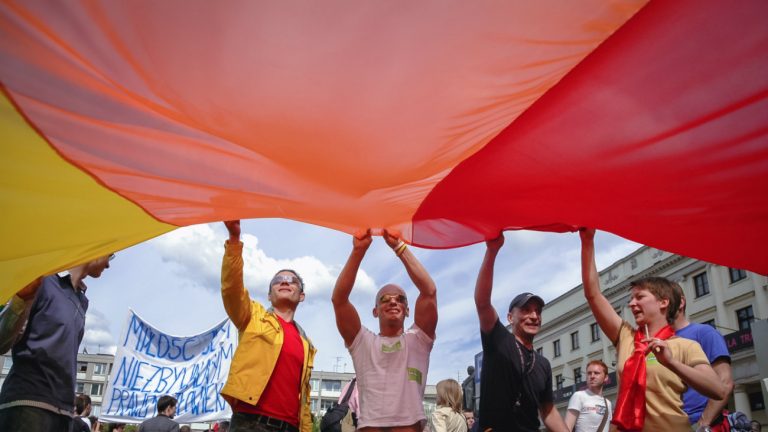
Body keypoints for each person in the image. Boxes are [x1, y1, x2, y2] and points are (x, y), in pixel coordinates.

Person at [580, 228, 728, 431]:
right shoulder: (626, 337)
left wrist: (672, 362)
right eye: (631, 298)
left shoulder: (686, 346)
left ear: (663, 302)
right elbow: (593, 295)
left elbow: (718, 390)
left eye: (639, 297)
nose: (632, 304)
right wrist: (587, 241)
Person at [332, 229, 438, 431]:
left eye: (400, 299)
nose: (393, 301)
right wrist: (358, 250)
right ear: (375, 311)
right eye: (384, 299)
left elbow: (429, 291)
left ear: (407, 311)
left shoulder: (418, 340)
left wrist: (399, 247)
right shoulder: (363, 342)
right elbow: (339, 300)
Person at [220, 220, 316, 432]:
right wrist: (234, 240)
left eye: (292, 280)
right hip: (251, 423)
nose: (284, 281)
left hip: (290, 427)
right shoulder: (253, 316)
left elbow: (305, 397)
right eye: (277, 280)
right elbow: (231, 289)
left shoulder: (306, 343)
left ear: (301, 296)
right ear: (269, 295)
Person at [0, 253, 114, 432]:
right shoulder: (43, 280)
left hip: (63, 411)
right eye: (110, 255)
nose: (108, 265)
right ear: (96, 248)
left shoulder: (82, 301)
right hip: (30, 404)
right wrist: (20, 301)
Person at [474, 234, 568, 432]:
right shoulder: (498, 341)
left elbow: (548, 410)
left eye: (537, 311)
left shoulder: (543, 364)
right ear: (510, 317)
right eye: (526, 310)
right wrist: (492, 251)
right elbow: (482, 302)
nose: (534, 316)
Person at [671, 284, 734, 431]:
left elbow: (725, 382)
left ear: (681, 302)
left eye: (665, 300)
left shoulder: (704, 333)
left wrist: (702, 424)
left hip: (701, 424)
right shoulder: (658, 343)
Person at [564, 360, 613, 432]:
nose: (592, 376)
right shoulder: (578, 396)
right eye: (589, 373)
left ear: (605, 377)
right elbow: (566, 428)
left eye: (596, 373)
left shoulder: (608, 403)